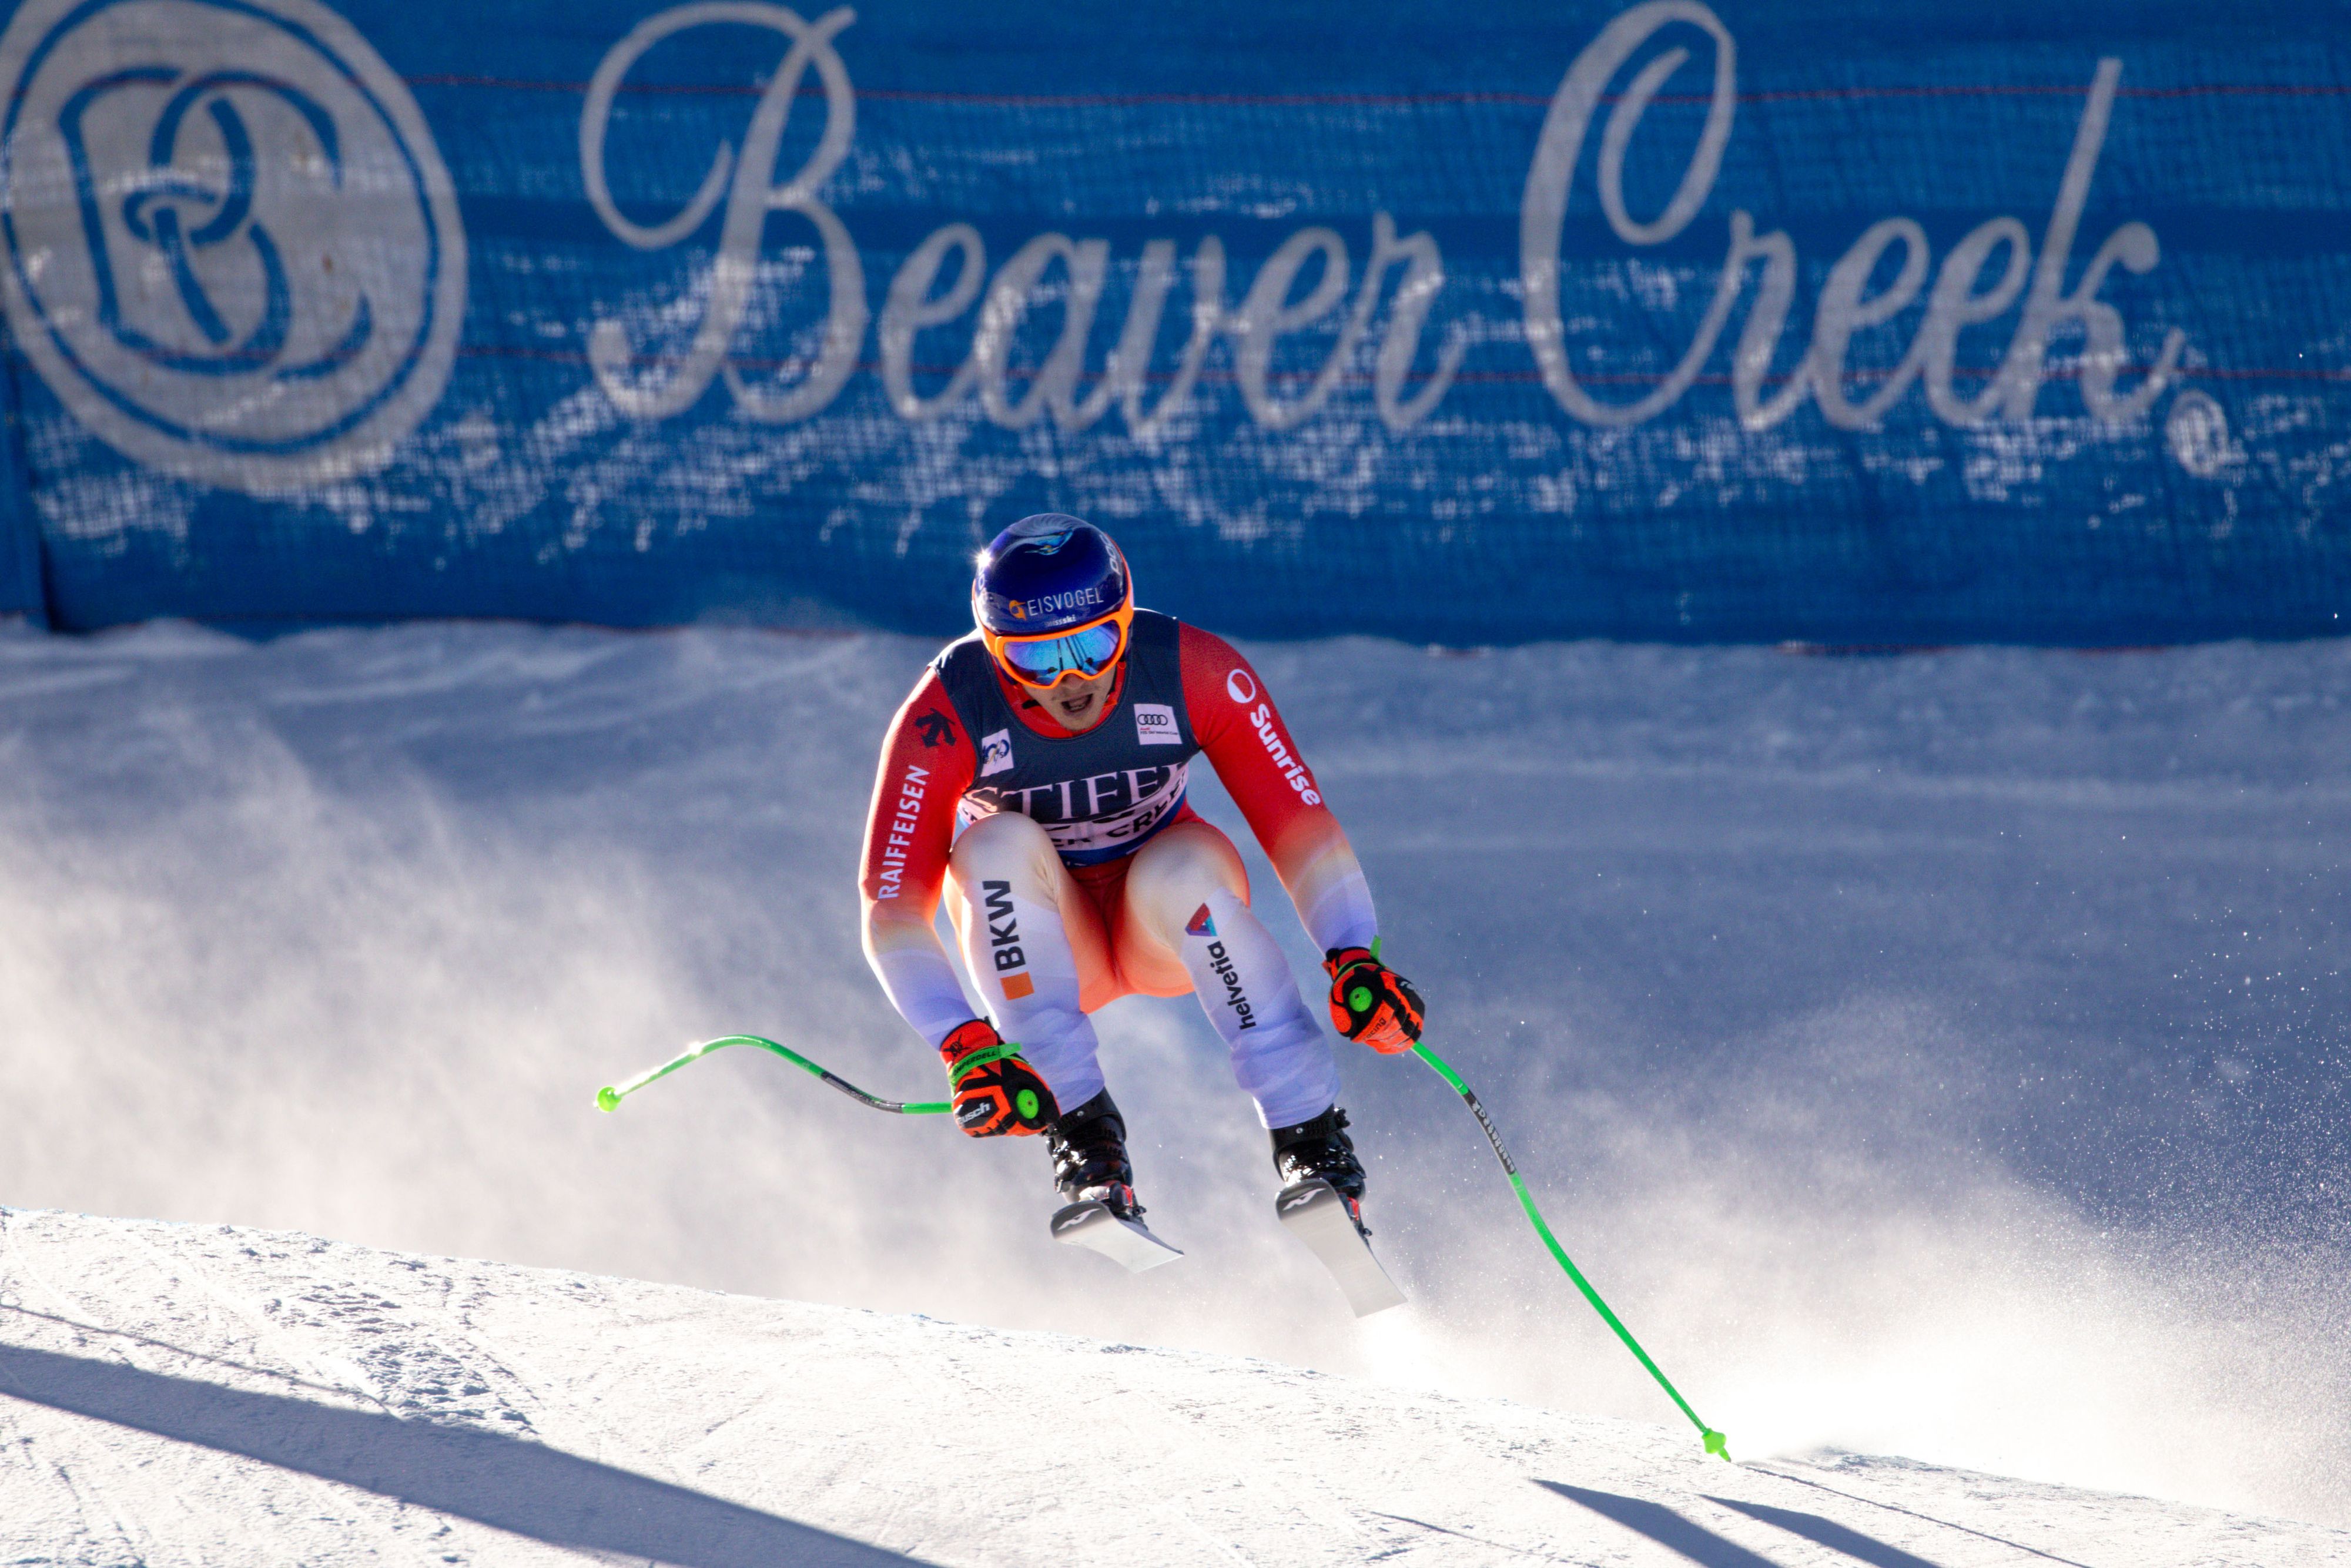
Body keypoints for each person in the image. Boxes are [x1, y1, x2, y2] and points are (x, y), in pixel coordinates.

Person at [858, 513, 1424, 1241]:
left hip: (1161, 922)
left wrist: (1354, 953)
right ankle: (1086, 1143)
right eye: (1037, 659)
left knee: (1183, 867)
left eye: (1093, 645)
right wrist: (962, 1043)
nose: (1071, 681)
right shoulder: (946, 710)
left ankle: (1313, 1144)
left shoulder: (1193, 668)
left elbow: (1299, 823)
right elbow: (891, 905)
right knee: (992, 846)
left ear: (1125, 622)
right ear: (995, 650)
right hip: (1051, 943)